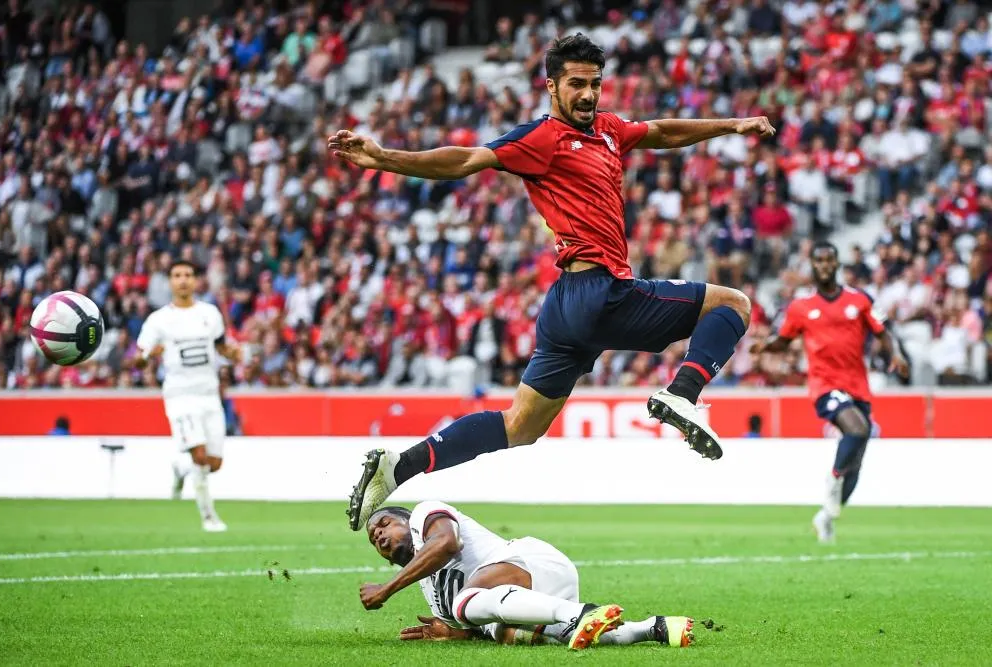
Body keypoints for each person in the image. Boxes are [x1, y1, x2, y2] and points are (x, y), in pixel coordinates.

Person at [331, 34, 776, 531]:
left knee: (520, 426)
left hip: (565, 307)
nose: (588, 94)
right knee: (733, 303)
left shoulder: (609, 129)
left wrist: (731, 124)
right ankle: (683, 394)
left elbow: (661, 132)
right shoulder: (541, 138)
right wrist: (385, 158)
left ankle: (398, 468)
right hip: (600, 292)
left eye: (595, 83)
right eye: (576, 84)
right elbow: (466, 160)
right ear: (552, 87)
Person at [363, 502, 695, 650]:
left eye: (384, 524)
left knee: (464, 604)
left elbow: (447, 543)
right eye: (373, 539)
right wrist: (452, 632)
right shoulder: (429, 588)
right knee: (505, 633)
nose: (378, 535)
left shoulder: (425, 515)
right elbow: (474, 624)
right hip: (532, 598)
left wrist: (386, 590)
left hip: (533, 563)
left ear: (406, 519)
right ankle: (653, 628)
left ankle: (581, 612)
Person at [750, 242, 909, 542]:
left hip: (858, 386)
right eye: (819, 260)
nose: (824, 265)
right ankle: (833, 479)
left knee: (856, 463)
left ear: (837, 264)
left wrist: (896, 354)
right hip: (824, 384)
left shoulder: (859, 299)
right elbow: (783, 340)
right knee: (858, 429)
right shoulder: (801, 307)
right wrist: (765, 346)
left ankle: (826, 515)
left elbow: (882, 331)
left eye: (829, 260)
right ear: (812, 265)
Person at [134, 260, 241, 532]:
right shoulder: (158, 320)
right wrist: (148, 356)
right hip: (180, 396)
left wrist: (233, 353)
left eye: (188, 275)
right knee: (200, 456)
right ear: (170, 281)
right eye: (177, 275)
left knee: (214, 463)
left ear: (195, 281)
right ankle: (209, 517)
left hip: (209, 394)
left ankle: (180, 469)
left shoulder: (210, 314)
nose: (183, 280)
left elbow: (221, 347)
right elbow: (137, 358)